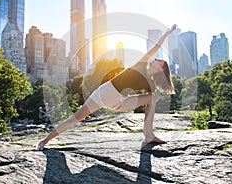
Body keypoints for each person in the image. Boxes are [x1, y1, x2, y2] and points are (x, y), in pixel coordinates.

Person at [36, 24, 177, 151]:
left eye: (160, 61)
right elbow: (156, 47)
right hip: (105, 92)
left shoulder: (150, 84)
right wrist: (167, 33)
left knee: (153, 98)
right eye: (158, 58)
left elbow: (149, 105)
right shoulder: (142, 63)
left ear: (161, 69)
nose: (156, 59)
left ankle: (149, 135)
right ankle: (45, 140)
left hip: (120, 102)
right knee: (76, 118)